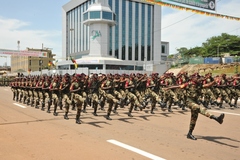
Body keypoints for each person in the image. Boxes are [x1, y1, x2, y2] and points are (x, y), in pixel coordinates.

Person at [164, 75, 225, 140]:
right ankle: (215, 118)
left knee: (194, 118)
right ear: (193, 79)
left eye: (198, 78)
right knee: (199, 108)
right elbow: (178, 86)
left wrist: (214, 82)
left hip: (195, 102)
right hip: (188, 101)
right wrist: (168, 88)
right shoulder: (188, 84)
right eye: (196, 78)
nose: (198, 79)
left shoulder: (199, 85)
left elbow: (207, 85)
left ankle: (189, 134)